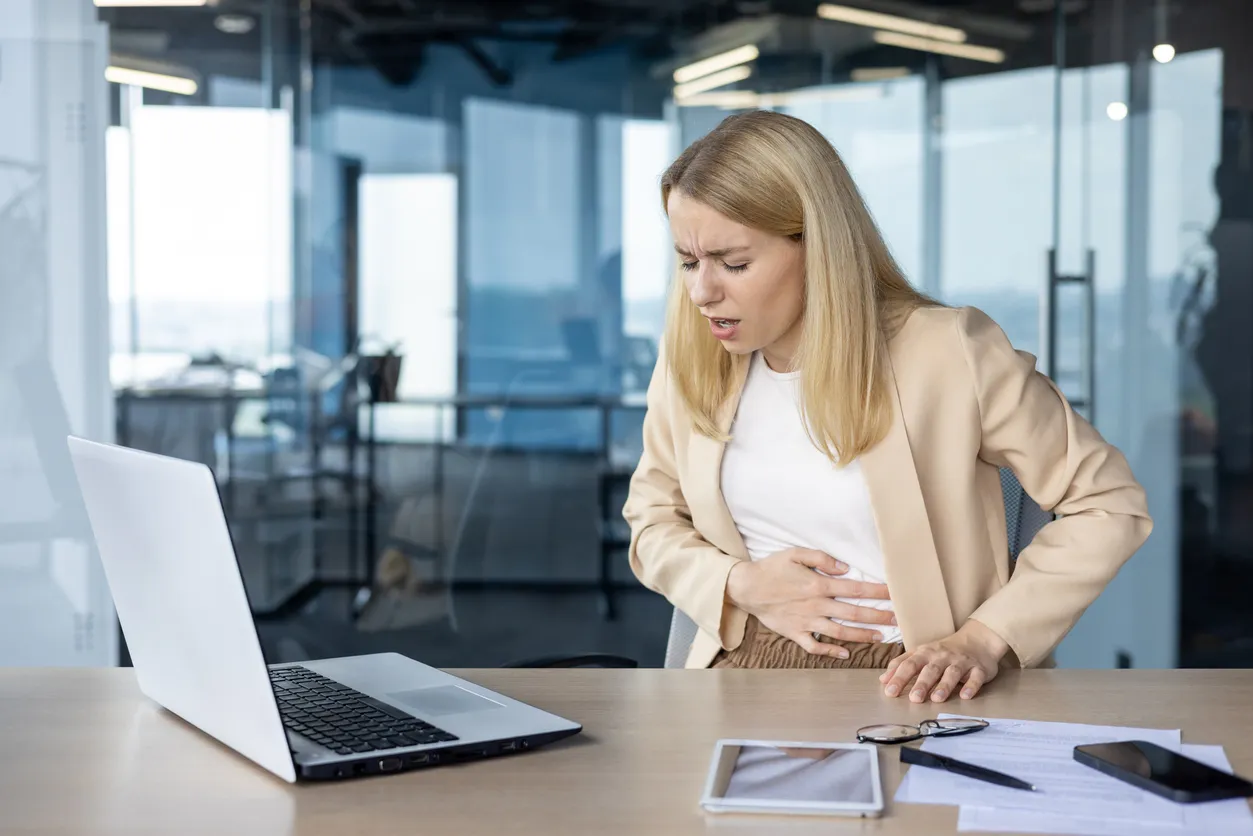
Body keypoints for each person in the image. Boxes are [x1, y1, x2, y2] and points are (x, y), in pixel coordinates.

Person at [622, 110, 1152, 703]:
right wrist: (738, 583)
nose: (702, 292)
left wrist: (984, 637)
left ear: (817, 246)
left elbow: (1108, 505)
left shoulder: (948, 352)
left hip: (914, 683)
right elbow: (651, 522)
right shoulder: (693, 359)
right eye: (689, 262)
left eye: (734, 263)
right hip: (741, 670)